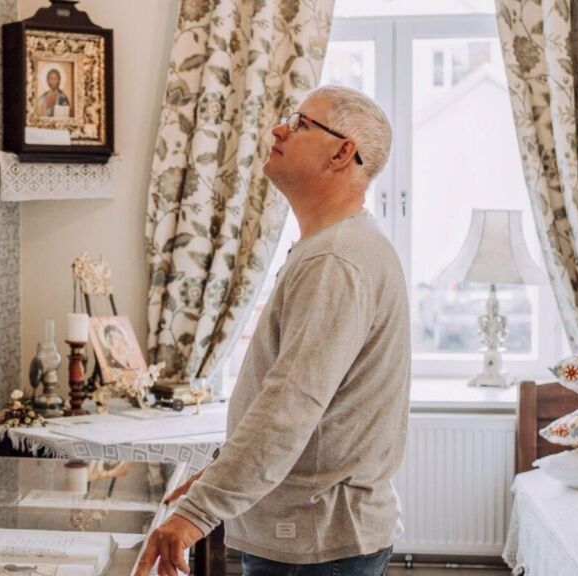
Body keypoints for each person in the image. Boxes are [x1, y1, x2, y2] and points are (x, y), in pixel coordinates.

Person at [135, 85, 407, 576]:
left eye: (301, 123)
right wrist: (219, 476)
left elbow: (290, 407)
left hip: (314, 540)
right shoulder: (334, 247)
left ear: (342, 153)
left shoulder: (335, 259)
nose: (280, 129)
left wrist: (196, 514)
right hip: (310, 534)